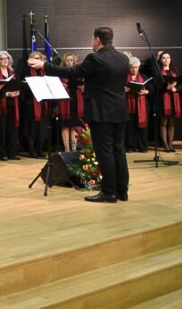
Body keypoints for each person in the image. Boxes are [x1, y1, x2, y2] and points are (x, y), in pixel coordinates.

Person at [28, 26, 130, 203]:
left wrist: (44, 65)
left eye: (92, 39)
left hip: (101, 112)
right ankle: (122, 190)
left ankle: (108, 192)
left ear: (97, 40)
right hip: (119, 111)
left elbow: (71, 72)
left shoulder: (95, 58)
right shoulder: (123, 58)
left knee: (105, 152)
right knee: (119, 150)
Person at [0, 51, 20, 160]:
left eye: (7, 58)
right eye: (2, 58)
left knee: (12, 129)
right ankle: (2, 153)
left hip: (13, 103)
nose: (5, 60)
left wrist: (17, 92)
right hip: (1, 104)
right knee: (1, 129)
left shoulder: (12, 73)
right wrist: (7, 94)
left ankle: (12, 152)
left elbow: (17, 85)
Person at [22, 51, 49, 159]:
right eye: (35, 58)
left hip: (42, 103)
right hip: (30, 104)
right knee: (31, 129)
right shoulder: (26, 70)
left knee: (41, 130)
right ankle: (32, 151)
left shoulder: (44, 71)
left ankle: (40, 150)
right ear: (30, 60)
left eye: (39, 58)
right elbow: (23, 86)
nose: (37, 60)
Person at [56, 53, 84, 152]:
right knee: (65, 126)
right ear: (64, 62)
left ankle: (74, 149)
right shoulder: (61, 73)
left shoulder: (78, 73)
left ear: (74, 61)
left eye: (71, 60)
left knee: (74, 126)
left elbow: (83, 87)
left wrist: (77, 85)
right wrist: (61, 86)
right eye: (67, 60)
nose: (69, 62)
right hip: (65, 102)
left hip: (76, 100)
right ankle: (67, 149)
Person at [124, 57, 150, 153]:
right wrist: (124, 90)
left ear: (139, 67)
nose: (134, 69)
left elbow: (151, 89)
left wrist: (146, 91)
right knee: (130, 126)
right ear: (129, 68)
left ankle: (142, 146)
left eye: (136, 67)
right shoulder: (124, 77)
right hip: (128, 104)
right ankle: (130, 146)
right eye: (132, 67)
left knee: (142, 126)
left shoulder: (143, 77)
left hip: (142, 105)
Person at [157, 51, 181, 152]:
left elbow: (180, 84)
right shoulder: (158, 72)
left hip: (173, 99)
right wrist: (165, 88)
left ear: (170, 59)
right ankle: (165, 144)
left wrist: (176, 89)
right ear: (160, 60)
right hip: (163, 99)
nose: (166, 60)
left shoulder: (174, 71)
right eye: (164, 58)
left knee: (171, 123)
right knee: (164, 122)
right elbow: (156, 87)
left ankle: (171, 143)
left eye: (168, 58)